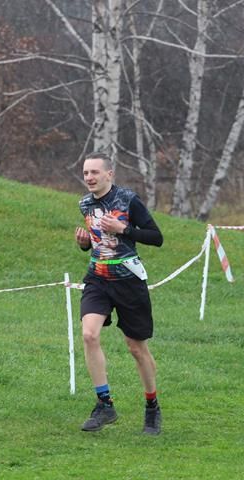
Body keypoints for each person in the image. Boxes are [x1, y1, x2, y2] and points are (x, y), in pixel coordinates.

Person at [74, 152, 164, 435]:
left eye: (95, 172)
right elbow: (98, 242)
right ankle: (105, 405)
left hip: (128, 281)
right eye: (86, 173)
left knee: (136, 348)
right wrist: (85, 244)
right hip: (98, 278)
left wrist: (123, 228)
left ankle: (152, 406)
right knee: (89, 335)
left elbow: (156, 237)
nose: (89, 177)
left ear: (109, 174)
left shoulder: (128, 200)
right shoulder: (85, 204)